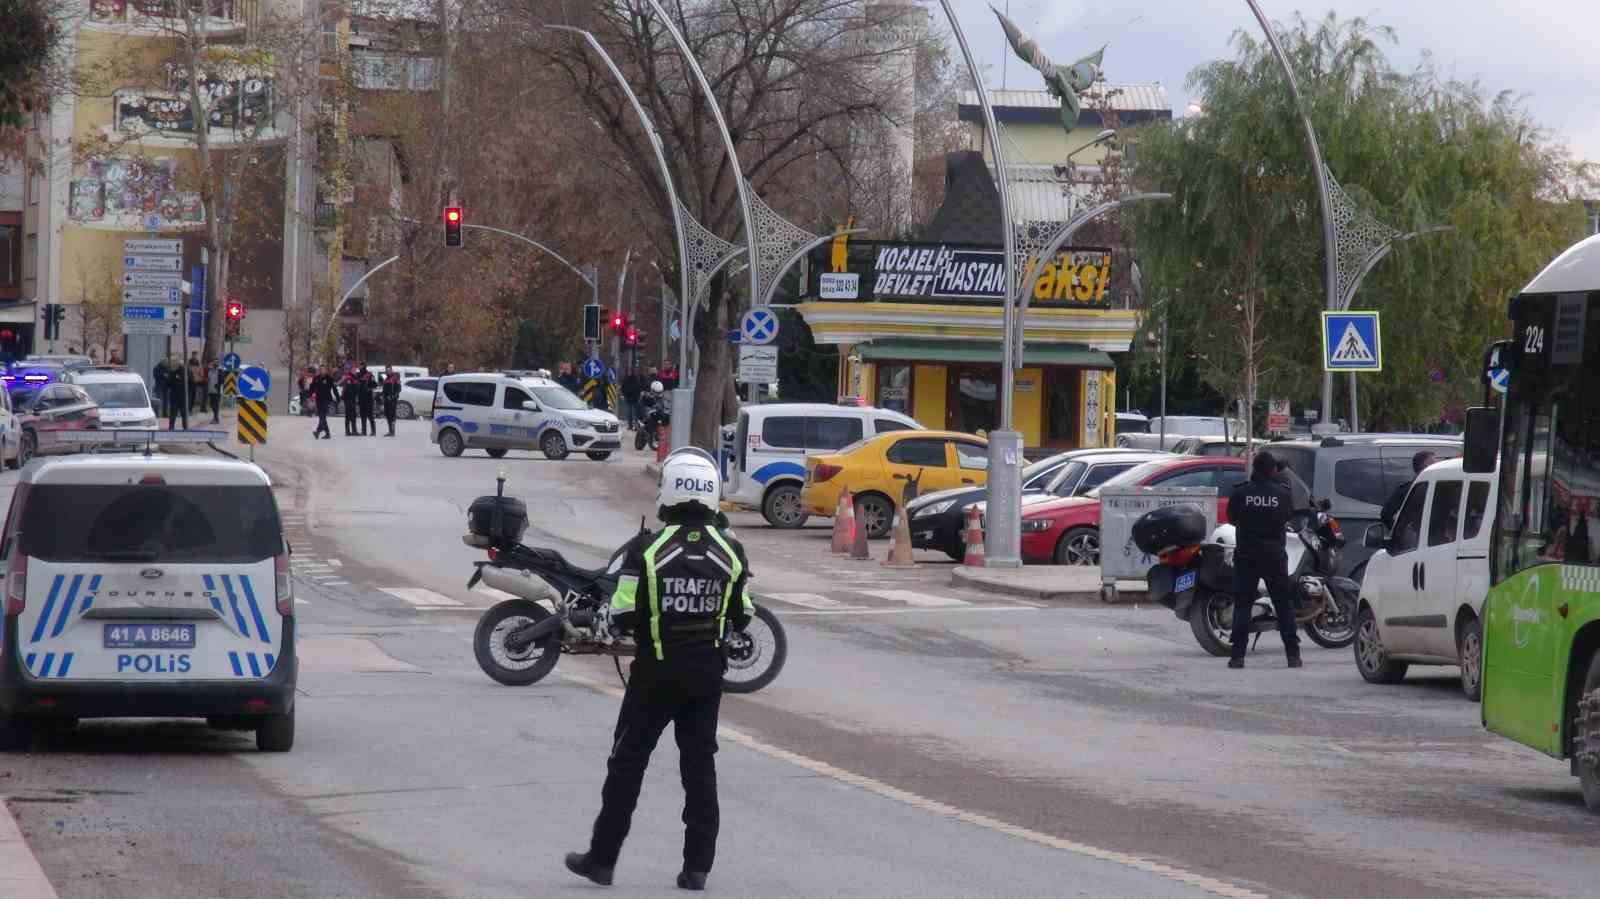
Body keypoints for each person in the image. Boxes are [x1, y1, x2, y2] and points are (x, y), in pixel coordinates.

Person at [565, 448, 753, 892]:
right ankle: (697, 869)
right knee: (700, 770)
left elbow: (624, 612)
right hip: (707, 674)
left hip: (656, 673)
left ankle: (602, 859)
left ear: (669, 491)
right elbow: (743, 613)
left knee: (627, 763)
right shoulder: (732, 550)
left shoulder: (646, 549)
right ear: (711, 493)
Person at [1225, 450, 1299, 669]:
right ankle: (1293, 656)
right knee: (1283, 605)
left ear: (1255, 469)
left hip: (1247, 555)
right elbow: (1288, 515)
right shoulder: (1283, 493)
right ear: (1273, 470)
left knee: (1242, 605)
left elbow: (1232, 518)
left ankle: (1237, 656)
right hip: (1274, 557)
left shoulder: (1241, 492)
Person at [1381, 451, 1437, 532]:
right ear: (1426, 466)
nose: (1437, 467)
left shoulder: (1438, 486)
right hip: (1415, 540)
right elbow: (1386, 514)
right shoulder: (1407, 489)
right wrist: (1401, 531)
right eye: (1433, 464)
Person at [163, 355, 189, 430]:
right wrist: (170, 378)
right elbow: (168, 383)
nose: (173, 364)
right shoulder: (172, 372)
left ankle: (185, 427)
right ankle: (171, 427)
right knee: (173, 412)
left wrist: (180, 381)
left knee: (183, 413)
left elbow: (190, 382)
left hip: (182, 395)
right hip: (174, 395)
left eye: (174, 362)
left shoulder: (185, 372)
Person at [311, 366, 336, 439]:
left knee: (322, 416)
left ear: (326, 370)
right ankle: (319, 431)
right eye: (321, 369)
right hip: (318, 399)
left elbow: (334, 388)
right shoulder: (316, 378)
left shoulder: (329, 378)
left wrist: (337, 397)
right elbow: (312, 387)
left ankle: (325, 433)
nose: (322, 371)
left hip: (326, 399)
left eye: (324, 369)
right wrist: (310, 395)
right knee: (322, 417)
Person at [357, 365, 377, 436]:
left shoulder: (370, 375)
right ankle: (364, 431)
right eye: (359, 366)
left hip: (368, 398)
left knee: (370, 415)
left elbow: (375, 384)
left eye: (361, 366)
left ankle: (373, 431)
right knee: (362, 415)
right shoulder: (358, 375)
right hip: (361, 398)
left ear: (364, 367)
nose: (359, 367)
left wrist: (369, 388)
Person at [381, 366, 400, 436]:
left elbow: (398, 389)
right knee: (387, 415)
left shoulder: (395, 378)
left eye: (389, 370)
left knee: (392, 415)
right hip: (386, 400)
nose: (388, 371)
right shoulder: (386, 379)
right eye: (387, 370)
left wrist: (393, 396)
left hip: (392, 400)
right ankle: (390, 431)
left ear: (392, 370)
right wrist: (381, 395)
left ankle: (392, 431)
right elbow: (384, 390)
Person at [341, 370, 360, 436]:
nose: (355, 371)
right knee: (349, 415)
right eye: (353, 370)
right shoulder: (349, 378)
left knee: (352, 415)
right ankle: (349, 431)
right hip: (349, 399)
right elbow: (349, 389)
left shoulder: (354, 377)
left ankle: (351, 430)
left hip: (352, 399)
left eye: (355, 370)